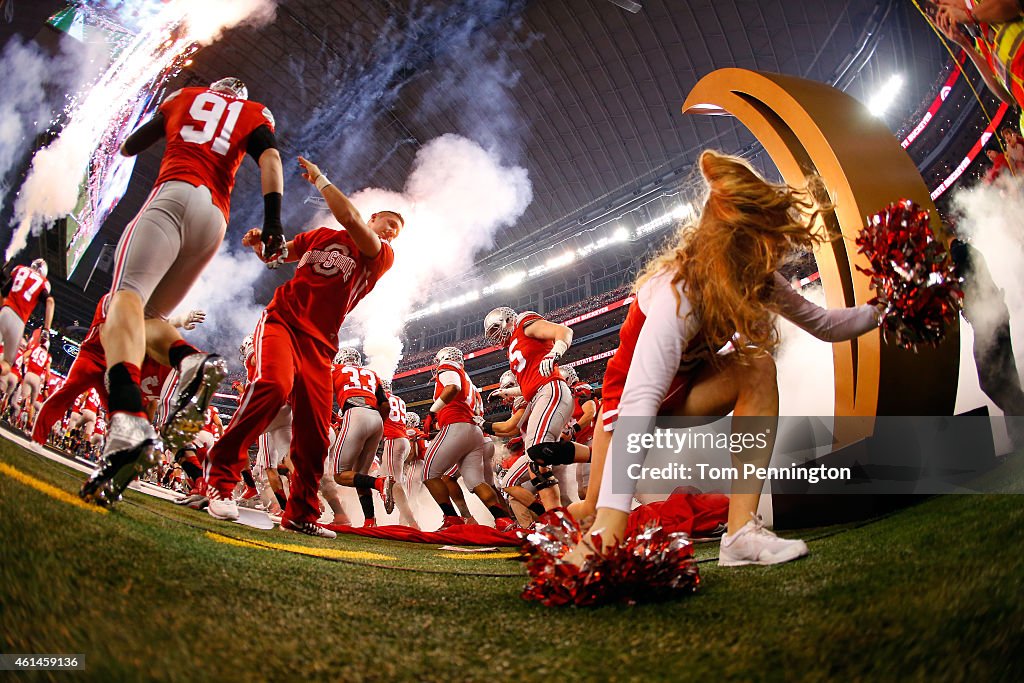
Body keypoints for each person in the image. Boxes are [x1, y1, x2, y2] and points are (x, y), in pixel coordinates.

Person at [571, 150, 881, 567]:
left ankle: (740, 535)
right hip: (625, 404)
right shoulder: (678, 293)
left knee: (757, 367)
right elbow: (640, 399)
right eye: (763, 239)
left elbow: (825, 325)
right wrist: (612, 517)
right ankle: (571, 530)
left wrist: (887, 308)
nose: (775, 252)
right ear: (733, 241)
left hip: (686, 392)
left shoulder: (754, 277)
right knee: (597, 514)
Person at [80, 76, 284, 505]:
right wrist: (273, 222)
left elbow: (129, 146)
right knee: (149, 318)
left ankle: (127, 414)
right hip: (213, 218)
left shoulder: (186, 98)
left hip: (172, 194)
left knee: (124, 299)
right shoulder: (253, 113)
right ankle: (190, 361)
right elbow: (269, 158)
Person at [204, 155, 403, 537]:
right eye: (389, 223)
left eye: (397, 230)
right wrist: (260, 245)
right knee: (272, 386)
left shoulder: (381, 254)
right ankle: (221, 476)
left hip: (321, 343)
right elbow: (278, 257)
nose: (392, 232)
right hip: (282, 321)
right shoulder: (320, 237)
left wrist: (321, 179)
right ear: (375, 216)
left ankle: (301, 513)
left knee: (315, 432)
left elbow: (350, 220)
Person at [482, 305, 575, 509]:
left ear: (506, 320)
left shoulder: (524, 323)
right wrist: (508, 392)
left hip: (550, 390)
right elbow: (528, 385)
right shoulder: (512, 347)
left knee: (537, 454)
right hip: (538, 395)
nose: (494, 336)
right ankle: (552, 517)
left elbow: (564, 331)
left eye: (495, 329)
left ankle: (555, 520)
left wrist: (555, 353)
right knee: (535, 458)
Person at [421, 347, 515, 531]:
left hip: (458, 426)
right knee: (476, 482)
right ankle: (503, 519)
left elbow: (453, 388)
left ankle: (453, 519)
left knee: (429, 474)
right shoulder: (469, 382)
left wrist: (433, 412)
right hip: (475, 432)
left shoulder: (449, 367)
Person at [326, 346, 394, 527]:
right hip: (376, 420)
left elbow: (322, 393)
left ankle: (379, 483)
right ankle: (370, 521)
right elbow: (386, 406)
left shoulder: (336, 369)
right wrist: (377, 424)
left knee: (340, 475)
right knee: (359, 475)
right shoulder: (372, 374)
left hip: (354, 414)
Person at [936, 1, 1024, 130]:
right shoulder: (979, 42)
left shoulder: (981, 5)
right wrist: (965, 45)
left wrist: (969, 16)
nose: (942, 9)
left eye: (939, 2)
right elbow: (1006, 97)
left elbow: (1013, 4)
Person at [0, 259, 54, 378]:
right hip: (18, 321)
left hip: (5, 311)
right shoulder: (43, 282)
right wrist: (46, 329)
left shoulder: (19, 269)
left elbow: (3, 294)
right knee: (7, 363)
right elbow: (50, 301)